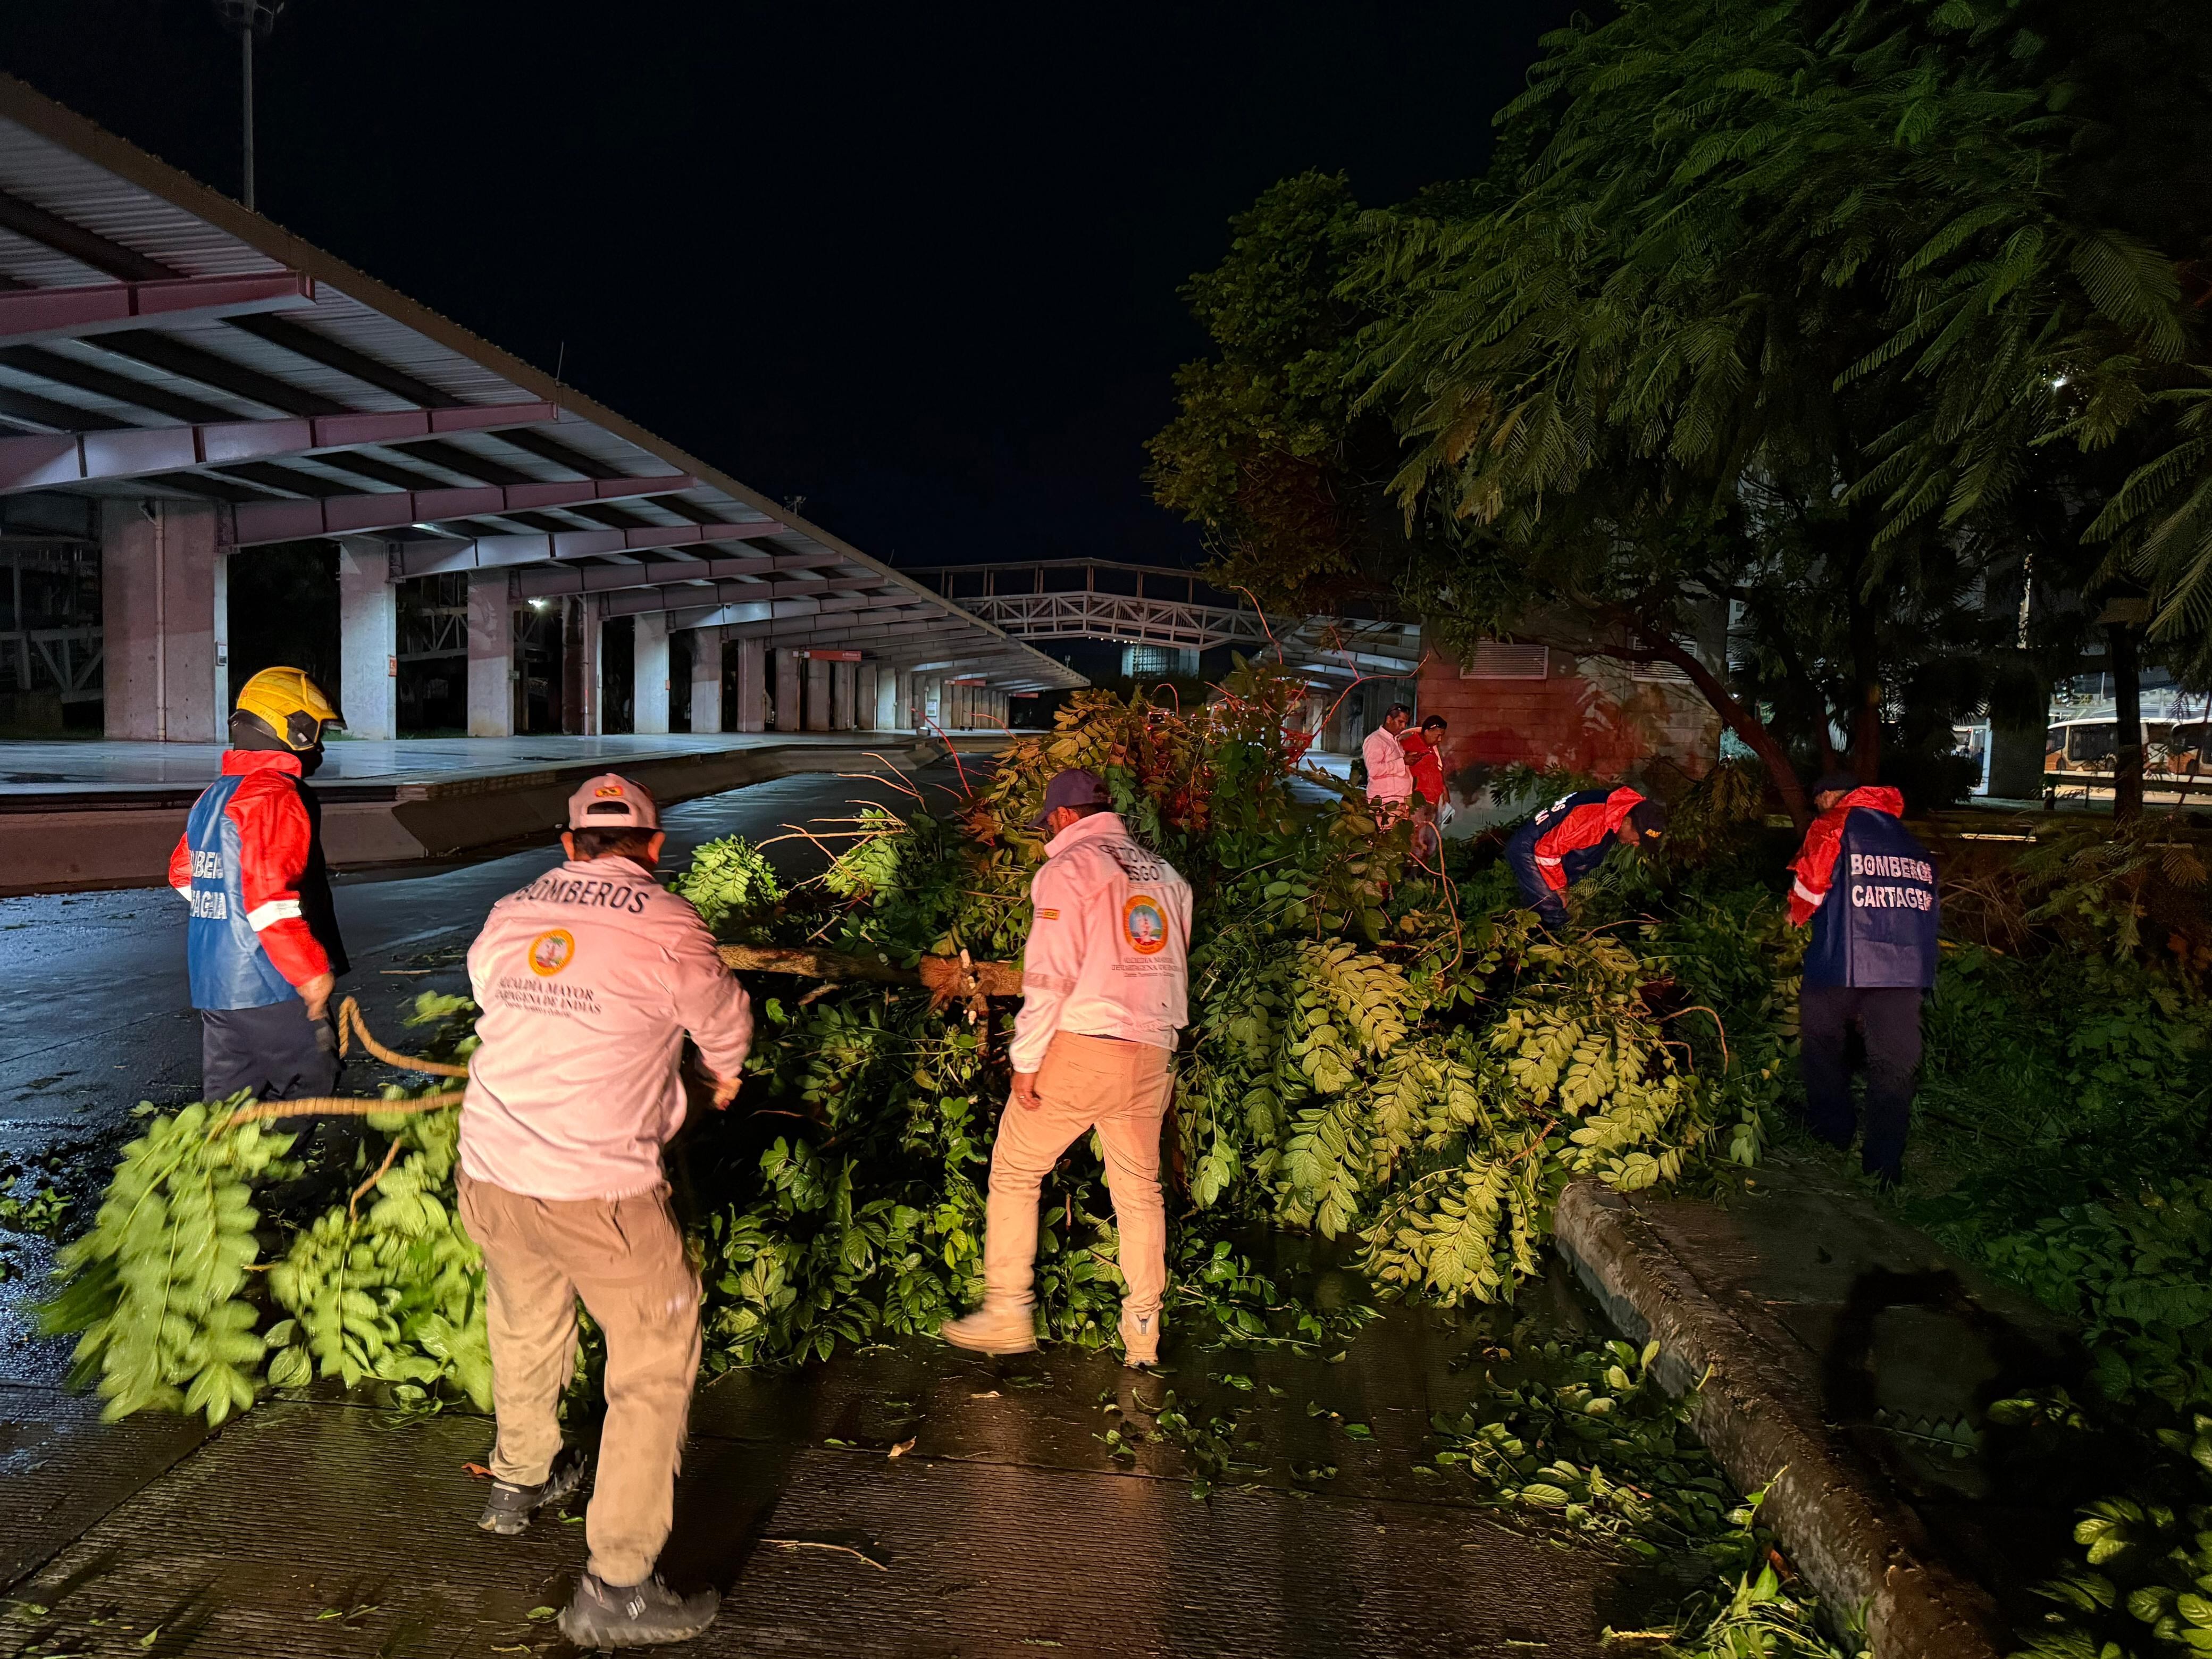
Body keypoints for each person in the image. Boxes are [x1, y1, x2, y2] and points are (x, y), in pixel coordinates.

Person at [457, 774, 753, 1649]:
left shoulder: (511, 913)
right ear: (656, 849)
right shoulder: (668, 925)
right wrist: (722, 1076)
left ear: (568, 844)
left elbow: (489, 997)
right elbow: (725, 1025)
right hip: (601, 1193)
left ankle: (518, 1481)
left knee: (524, 1322)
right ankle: (617, 1585)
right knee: (654, 1364)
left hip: (492, 1173)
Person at [942, 768, 1193, 1368]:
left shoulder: (1067, 870)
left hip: (1085, 1046)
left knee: (1015, 1169)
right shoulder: (1165, 875)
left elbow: (1048, 980)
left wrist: (1024, 1061)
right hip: (1154, 1051)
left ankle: (1005, 1312)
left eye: (1046, 823)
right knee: (1138, 1193)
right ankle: (1142, 1336)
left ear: (1060, 817)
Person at [169, 666, 349, 1102]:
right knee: (311, 1083)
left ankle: (223, 1168)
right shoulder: (275, 794)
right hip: (270, 982)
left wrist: (231, 915)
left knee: (231, 1105)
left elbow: (182, 872)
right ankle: (275, 1169)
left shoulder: (216, 794)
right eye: (317, 731)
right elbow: (270, 899)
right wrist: (310, 975)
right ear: (294, 728)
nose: (319, 745)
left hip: (217, 985)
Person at [1784, 769, 1938, 1186]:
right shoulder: (1907, 839)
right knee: (1894, 1065)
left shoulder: (1832, 824)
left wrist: (1792, 917)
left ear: (1832, 796)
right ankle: (1884, 1166)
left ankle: (1832, 1131)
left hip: (1841, 962)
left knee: (1821, 1045)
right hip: (1905, 969)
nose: (1818, 807)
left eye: (1819, 800)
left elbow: (1810, 889)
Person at [1504, 785, 1669, 933]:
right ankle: (1558, 943)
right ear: (1627, 821)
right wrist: (1560, 888)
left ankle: (1523, 924)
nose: (1636, 844)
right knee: (1553, 909)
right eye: (1638, 838)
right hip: (1529, 850)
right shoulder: (1594, 820)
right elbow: (1545, 852)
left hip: (1549, 846)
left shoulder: (1618, 807)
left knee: (1541, 900)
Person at [1402, 714, 1449, 861]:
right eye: (1438, 735)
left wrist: (1444, 790)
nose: (1440, 740)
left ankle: (1423, 874)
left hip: (1433, 801)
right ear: (1428, 731)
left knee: (1430, 842)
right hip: (1419, 802)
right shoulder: (1409, 745)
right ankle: (1411, 876)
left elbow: (1436, 771)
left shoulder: (1431, 748)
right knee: (1416, 842)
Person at [1362, 703, 1414, 814]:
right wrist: (1403, 762)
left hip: (1399, 802)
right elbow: (1374, 770)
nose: (1404, 727)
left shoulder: (1394, 741)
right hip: (1386, 804)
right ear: (1389, 719)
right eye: (1401, 722)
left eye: (1406, 723)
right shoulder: (1376, 740)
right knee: (1388, 831)